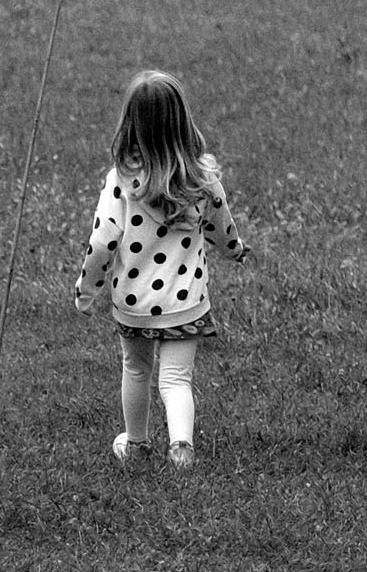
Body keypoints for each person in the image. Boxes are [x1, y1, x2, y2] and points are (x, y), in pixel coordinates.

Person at [73, 70, 249, 470]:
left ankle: (136, 444)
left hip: (134, 303)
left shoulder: (121, 182)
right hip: (186, 302)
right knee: (176, 379)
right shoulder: (201, 178)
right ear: (182, 120)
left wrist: (87, 289)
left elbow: (102, 242)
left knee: (136, 368)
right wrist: (235, 250)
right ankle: (181, 448)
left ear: (130, 123)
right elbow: (221, 226)